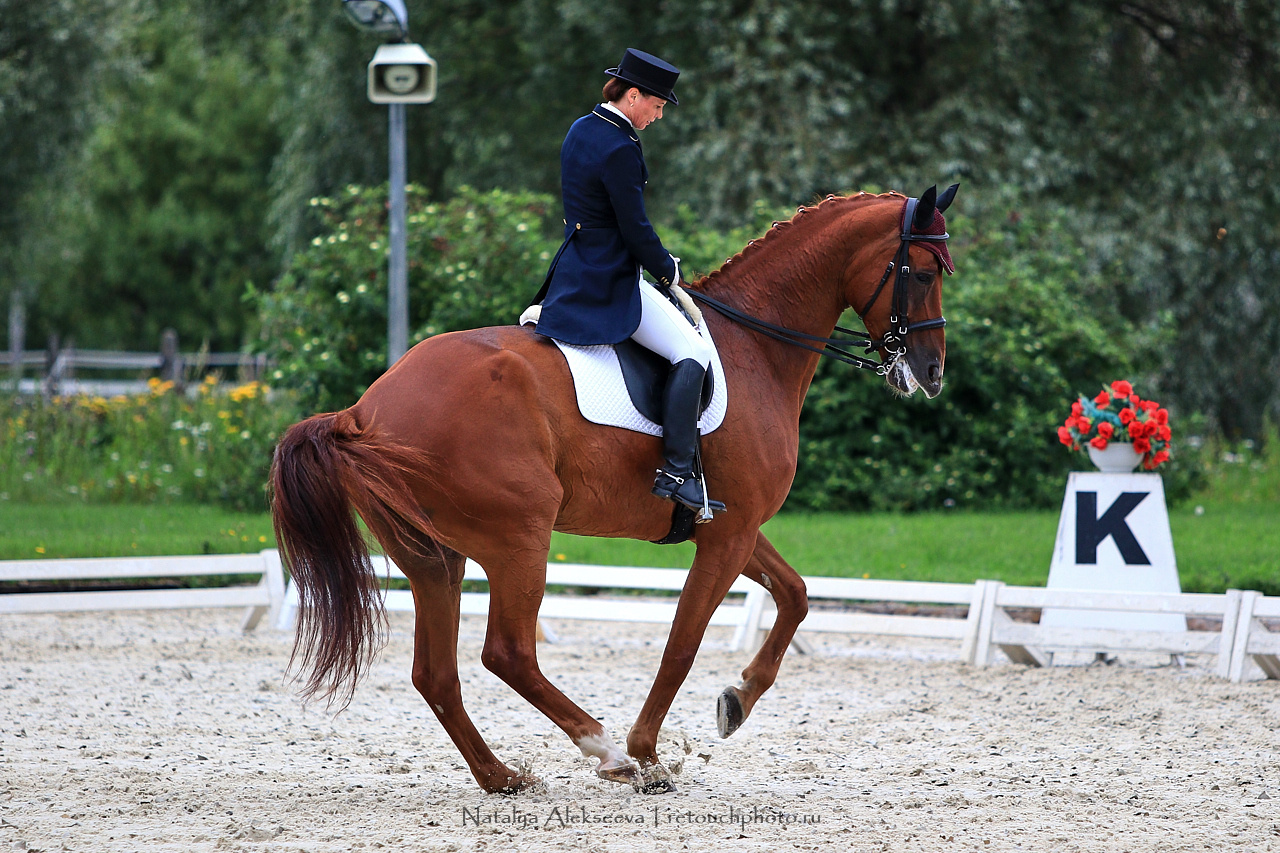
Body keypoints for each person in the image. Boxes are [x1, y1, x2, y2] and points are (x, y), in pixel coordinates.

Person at [532, 48, 723, 516]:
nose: (658, 116)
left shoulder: (582, 128)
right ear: (633, 95)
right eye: (656, 106)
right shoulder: (620, 147)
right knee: (692, 352)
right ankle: (679, 471)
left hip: (572, 268)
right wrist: (667, 270)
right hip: (608, 278)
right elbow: (634, 228)